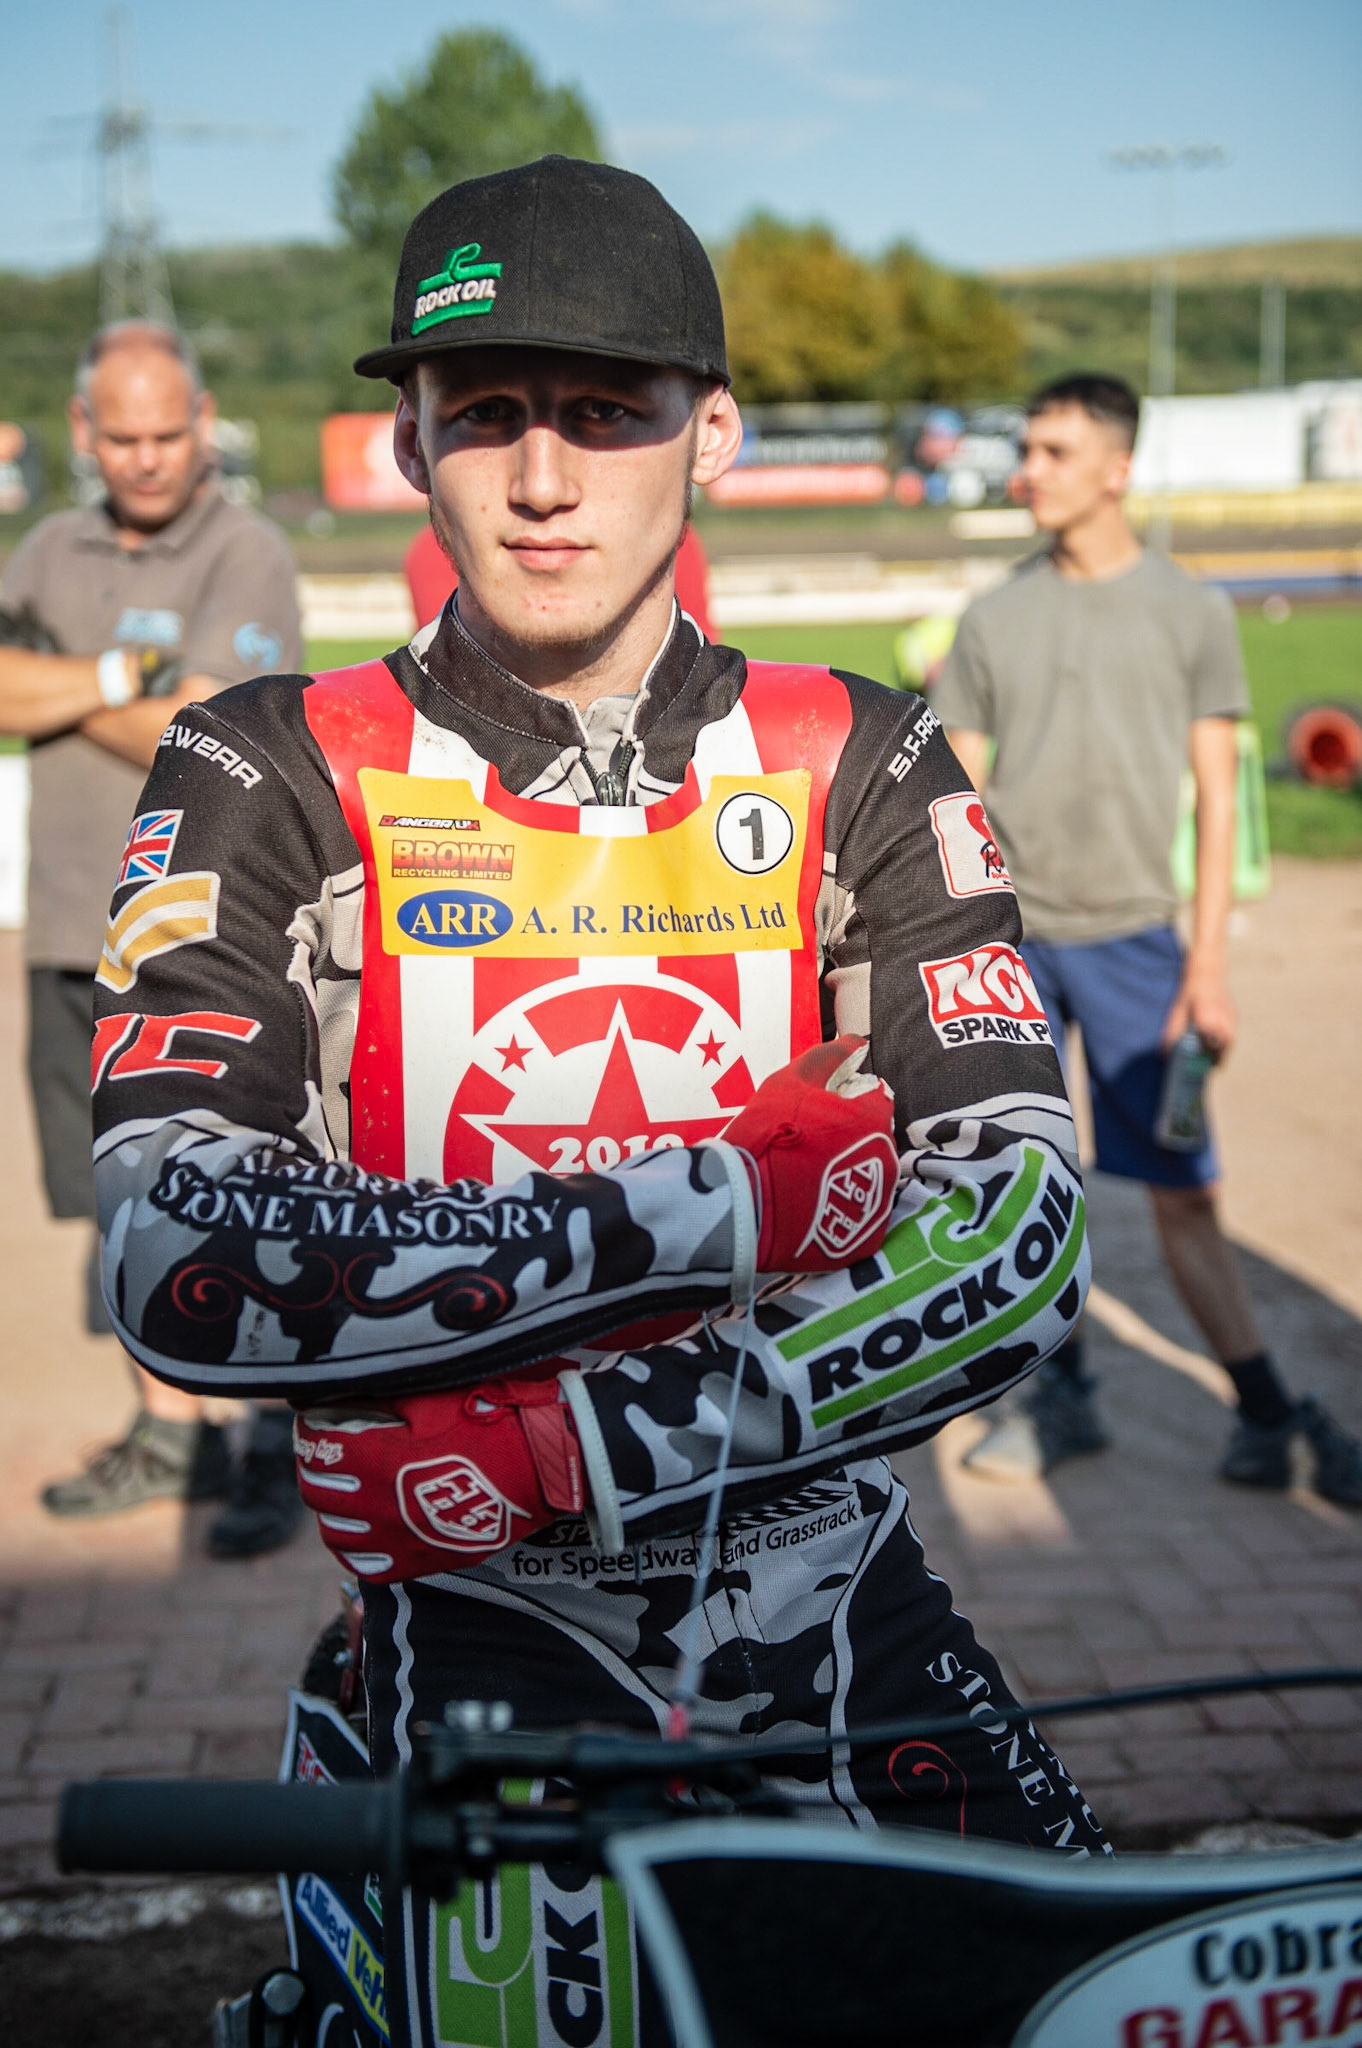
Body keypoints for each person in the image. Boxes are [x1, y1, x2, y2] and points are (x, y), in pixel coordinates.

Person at [92, 160, 1105, 2045]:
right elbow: (172, 1243)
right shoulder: (266, 762)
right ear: (406, 439)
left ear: (709, 428)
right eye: (483, 413)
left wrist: (565, 1442)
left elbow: (1016, 1226)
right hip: (478, 1634)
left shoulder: (857, 751)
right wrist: (716, 1202)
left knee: (1088, 1996)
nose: (542, 477)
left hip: (832, 1608)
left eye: (606, 410)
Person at [932, 372, 1362, 1503]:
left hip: (1135, 943)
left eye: (1054, 451)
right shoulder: (993, 616)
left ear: (1117, 467)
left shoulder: (1189, 608)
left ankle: (1274, 1411)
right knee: (1024, 1183)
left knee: (1181, 1192)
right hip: (1011, 945)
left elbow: (1221, 800)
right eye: (1025, 448)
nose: (1028, 470)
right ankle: (1061, 1395)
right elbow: (957, 798)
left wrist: (1205, 971)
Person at [0, 319, 309, 1556]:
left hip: (205, 937)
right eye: (120, 436)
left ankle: (272, 1441)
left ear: (206, 418)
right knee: (116, 1204)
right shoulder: (44, 545)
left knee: (240, 1189)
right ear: (84, 432)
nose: (145, 457)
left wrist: (68, 689)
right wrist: (132, 674)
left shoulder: (249, 547)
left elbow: (218, 730)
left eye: (168, 432)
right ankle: (168, 1433)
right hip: (67, 925)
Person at [404, 512, 717, 638]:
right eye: (487, 413)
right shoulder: (431, 552)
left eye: (604, 412)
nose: (543, 489)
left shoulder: (676, 544)